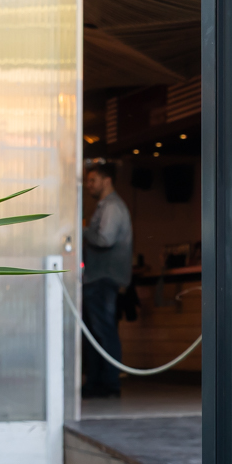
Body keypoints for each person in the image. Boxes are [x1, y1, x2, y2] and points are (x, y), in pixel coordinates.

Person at [80, 160, 133, 398]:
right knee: (96, 332)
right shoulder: (108, 206)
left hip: (103, 277)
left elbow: (105, 239)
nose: (89, 185)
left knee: (102, 331)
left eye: (93, 180)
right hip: (100, 277)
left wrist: (81, 230)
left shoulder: (112, 207)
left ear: (107, 180)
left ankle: (108, 384)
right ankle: (97, 383)